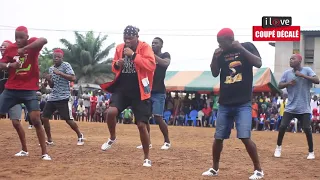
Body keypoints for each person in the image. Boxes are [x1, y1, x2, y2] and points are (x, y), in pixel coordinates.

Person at [202, 28, 264, 179]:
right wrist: (214, 57)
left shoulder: (247, 46)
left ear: (231, 39)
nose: (220, 45)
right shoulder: (221, 53)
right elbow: (214, 72)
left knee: (244, 136)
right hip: (225, 102)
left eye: (222, 42)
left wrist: (240, 48)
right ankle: (214, 168)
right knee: (218, 137)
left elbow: (258, 63)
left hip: (243, 102)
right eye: (218, 43)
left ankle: (258, 170)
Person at [100, 25, 156, 167]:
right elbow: (114, 66)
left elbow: (151, 65)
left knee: (141, 125)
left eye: (130, 38)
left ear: (137, 37)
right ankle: (112, 138)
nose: (127, 41)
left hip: (140, 91)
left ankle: (146, 157)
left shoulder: (145, 48)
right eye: (125, 38)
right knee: (110, 112)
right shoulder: (120, 48)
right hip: (122, 88)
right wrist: (117, 64)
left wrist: (133, 55)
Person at [0, 26, 51, 160]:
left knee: (36, 120)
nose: (18, 40)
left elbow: (44, 40)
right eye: (16, 37)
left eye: (21, 37)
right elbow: (1, 63)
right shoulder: (11, 49)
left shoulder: (33, 44)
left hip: (29, 90)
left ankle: (44, 153)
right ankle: (24, 150)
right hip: (11, 89)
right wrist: (10, 66)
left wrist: (25, 49)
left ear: (27, 37)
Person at [274, 54, 319, 160]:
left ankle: (311, 152)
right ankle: (278, 148)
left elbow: (317, 80)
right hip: (290, 107)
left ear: (299, 61)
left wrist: (303, 76)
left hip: (304, 108)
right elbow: (279, 85)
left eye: (293, 59)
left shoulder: (307, 70)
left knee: (307, 129)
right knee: (282, 126)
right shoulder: (286, 73)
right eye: (290, 59)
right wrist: (288, 83)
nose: (290, 60)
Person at [41, 48, 85, 146]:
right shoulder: (51, 69)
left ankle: (80, 135)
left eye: (58, 57)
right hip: (53, 96)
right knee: (44, 117)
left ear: (62, 58)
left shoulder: (66, 65)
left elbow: (73, 78)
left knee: (68, 119)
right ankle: (49, 140)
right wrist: (48, 80)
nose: (56, 58)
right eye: (55, 57)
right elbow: (52, 85)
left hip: (64, 97)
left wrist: (60, 73)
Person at [136, 37, 171, 150]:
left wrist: (152, 55)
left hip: (159, 91)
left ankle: (167, 141)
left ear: (161, 45)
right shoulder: (147, 56)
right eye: (152, 43)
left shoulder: (165, 54)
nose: (153, 44)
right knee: (145, 117)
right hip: (147, 90)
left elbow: (165, 63)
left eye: (156, 43)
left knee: (158, 117)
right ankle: (147, 142)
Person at [0, 40, 27, 156]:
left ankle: (25, 149)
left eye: (4, 47)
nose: (2, 48)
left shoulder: (17, 63)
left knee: (16, 123)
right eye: (1, 47)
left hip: (13, 97)